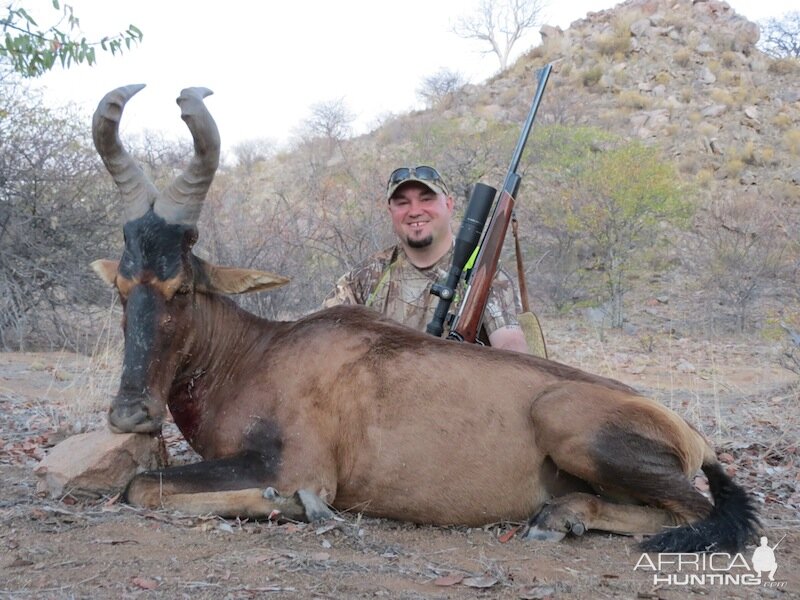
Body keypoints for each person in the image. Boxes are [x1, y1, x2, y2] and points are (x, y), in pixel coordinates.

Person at [323, 165, 530, 353]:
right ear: (390, 211)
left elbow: (510, 346)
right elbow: (322, 338)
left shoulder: (484, 274)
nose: (414, 211)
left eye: (426, 199)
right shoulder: (365, 277)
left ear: (449, 205)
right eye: (402, 203)